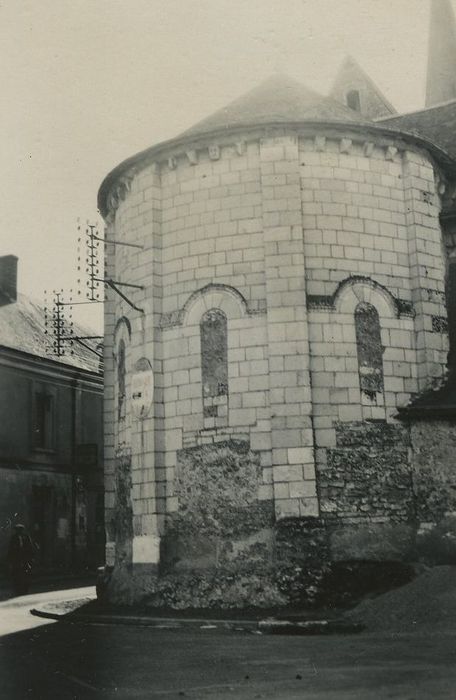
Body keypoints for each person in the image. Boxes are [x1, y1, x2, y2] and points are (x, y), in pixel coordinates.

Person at [7, 524, 36, 596]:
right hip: (17, 559)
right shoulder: (13, 538)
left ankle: (25, 589)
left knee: (26, 574)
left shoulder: (26, 537)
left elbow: (30, 547)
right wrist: (10, 559)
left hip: (25, 558)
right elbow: (11, 549)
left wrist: (31, 557)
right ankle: (18, 589)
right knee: (17, 574)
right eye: (17, 530)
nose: (19, 531)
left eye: (20, 530)